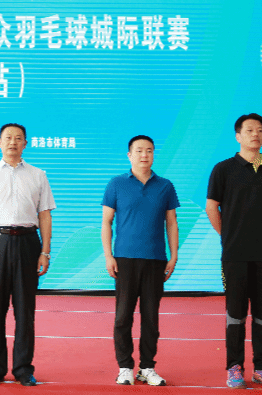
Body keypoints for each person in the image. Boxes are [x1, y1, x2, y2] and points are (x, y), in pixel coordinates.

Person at [206, 113, 262, 390]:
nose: (256, 134)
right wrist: (229, 236)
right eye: (250, 130)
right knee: (236, 314)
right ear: (238, 136)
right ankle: (234, 367)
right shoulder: (223, 169)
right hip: (235, 255)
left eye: (260, 130)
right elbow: (211, 207)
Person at [0, 123, 56, 387]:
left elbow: (44, 215)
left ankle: (23, 369)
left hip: (28, 243)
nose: (12, 142)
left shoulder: (38, 175)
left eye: (18, 138)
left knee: (25, 310)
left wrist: (45, 251)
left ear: (25, 144)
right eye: (8, 138)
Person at [101, 135, 179, 386]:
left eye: (149, 150)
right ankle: (125, 367)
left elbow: (171, 223)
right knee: (123, 316)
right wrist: (108, 255)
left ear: (154, 154)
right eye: (139, 150)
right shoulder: (116, 184)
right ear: (129, 155)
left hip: (155, 259)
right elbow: (106, 222)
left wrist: (174, 255)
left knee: (151, 318)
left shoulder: (165, 186)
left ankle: (147, 367)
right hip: (124, 259)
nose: (144, 155)